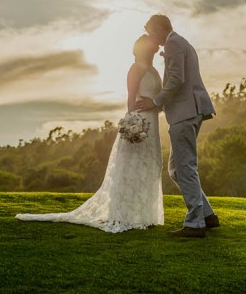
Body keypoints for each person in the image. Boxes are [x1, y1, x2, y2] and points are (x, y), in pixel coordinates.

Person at [15, 35, 164, 233]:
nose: (156, 46)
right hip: (138, 122)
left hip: (152, 123)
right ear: (144, 48)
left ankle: (145, 215)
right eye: (151, 44)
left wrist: (155, 105)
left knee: (149, 165)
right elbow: (130, 98)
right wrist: (132, 122)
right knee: (131, 167)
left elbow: (160, 100)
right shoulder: (135, 68)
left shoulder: (155, 71)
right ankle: (124, 214)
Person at [136, 14, 219, 238]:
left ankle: (195, 224)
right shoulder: (181, 42)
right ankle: (208, 215)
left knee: (186, 167)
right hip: (188, 111)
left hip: (185, 112)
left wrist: (155, 101)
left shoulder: (173, 43)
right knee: (176, 169)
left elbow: (176, 78)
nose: (151, 37)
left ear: (161, 28)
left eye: (152, 32)